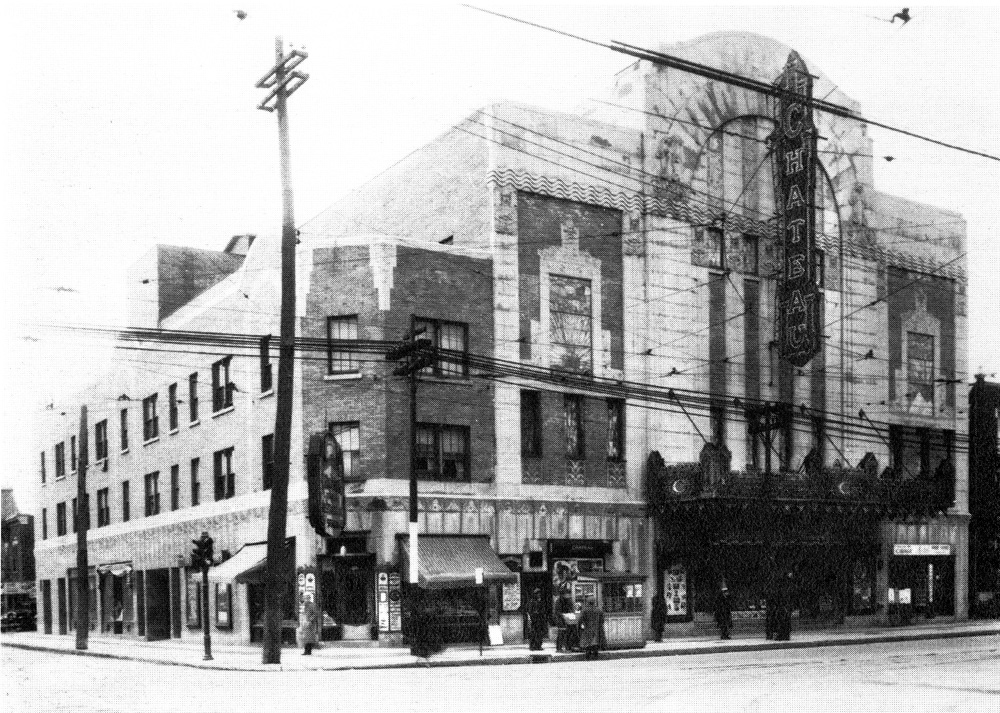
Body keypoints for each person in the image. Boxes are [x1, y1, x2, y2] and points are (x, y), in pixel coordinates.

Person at [577, 595, 605, 660]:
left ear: (587, 602)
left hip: (587, 628)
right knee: (595, 643)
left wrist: (579, 627)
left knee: (588, 643)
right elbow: (602, 620)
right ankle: (595, 656)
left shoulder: (585, 610)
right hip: (596, 629)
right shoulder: (598, 610)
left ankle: (588, 657)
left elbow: (580, 620)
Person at [775, 572, 794, 641]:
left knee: (782, 620)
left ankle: (782, 635)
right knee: (785, 620)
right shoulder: (789, 586)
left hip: (784, 605)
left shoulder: (785, 587)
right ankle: (785, 635)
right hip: (785, 605)